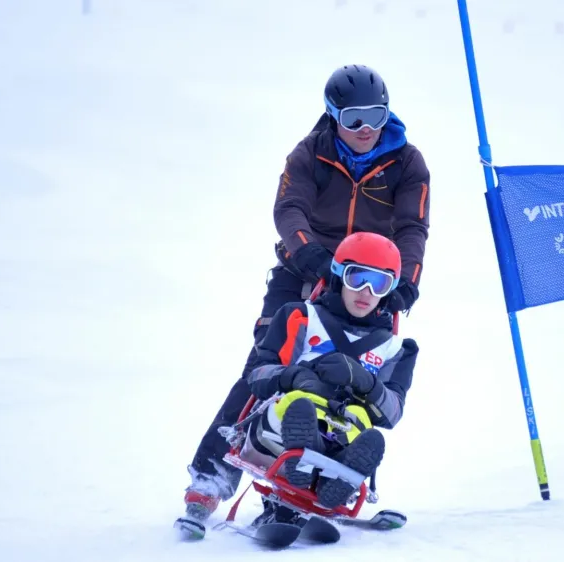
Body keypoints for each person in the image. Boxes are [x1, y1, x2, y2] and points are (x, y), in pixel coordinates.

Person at [180, 63, 430, 527]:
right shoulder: (310, 154)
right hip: (305, 270)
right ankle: (211, 476)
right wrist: (310, 254)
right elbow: (289, 207)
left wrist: (406, 281)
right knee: (268, 366)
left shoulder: (407, 162)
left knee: (354, 380)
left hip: (370, 282)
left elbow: (413, 225)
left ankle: (315, 483)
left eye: (376, 115)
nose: (366, 129)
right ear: (333, 115)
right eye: (354, 118)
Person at [180, 232, 419, 531]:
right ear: (338, 275)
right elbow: (257, 374)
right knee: (298, 405)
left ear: (391, 289)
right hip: (281, 426)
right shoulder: (300, 316)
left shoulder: (396, 349)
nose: (366, 292)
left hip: (342, 425)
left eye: (379, 283)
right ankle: (306, 465)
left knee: (359, 419)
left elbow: (392, 413)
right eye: (356, 278)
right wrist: (291, 375)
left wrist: (367, 384)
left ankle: (333, 476)